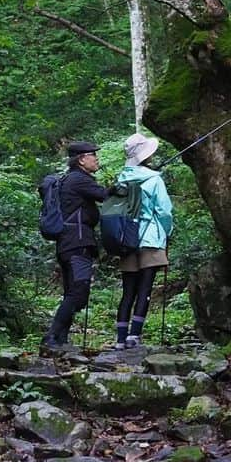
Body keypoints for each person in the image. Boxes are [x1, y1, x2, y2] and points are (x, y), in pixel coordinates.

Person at [41, 140, 108, 353]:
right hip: (77, 243)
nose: (96, 158)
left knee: (72, 291)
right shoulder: (79, 179)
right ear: (81, 159)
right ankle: (52, 337)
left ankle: (60, 339)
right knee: (78, 292)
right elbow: (104, 195)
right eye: (93, 155)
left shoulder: (67, 180)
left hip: (67, 244)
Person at [113, 132, 173, 349]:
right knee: (145, 289)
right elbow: (164, 211)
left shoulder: (121, 178)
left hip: (127, 239)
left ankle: (120, 338)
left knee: (128, 291)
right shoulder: (154, 179)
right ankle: (134, 336)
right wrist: (167, 232)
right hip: (150, 239)